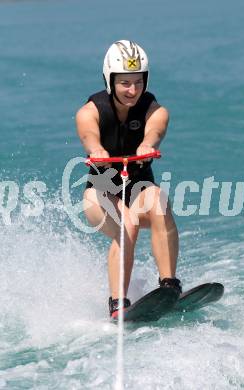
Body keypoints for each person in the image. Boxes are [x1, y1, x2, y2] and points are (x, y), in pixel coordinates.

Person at [76, 40, 181, 318]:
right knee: (128, 224)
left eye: (138, 82)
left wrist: (148, 143)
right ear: (110, 80)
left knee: (158, 200)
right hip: (100, 194)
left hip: (138, 190)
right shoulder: (90, 111)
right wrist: (96, 150)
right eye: (124, 83)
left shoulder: (153, 108)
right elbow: (88, 134)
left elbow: (157, 125)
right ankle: (117, 302)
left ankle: (169, 285)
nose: (132, 90)